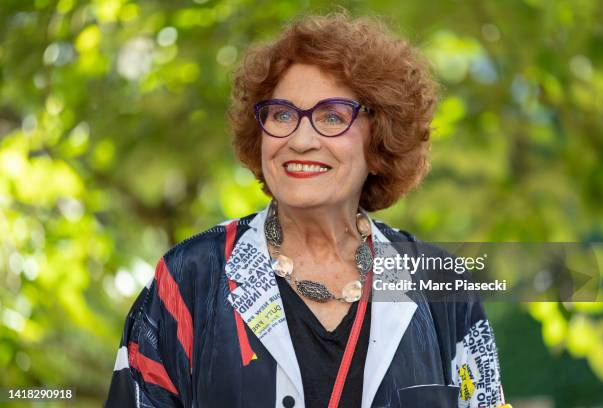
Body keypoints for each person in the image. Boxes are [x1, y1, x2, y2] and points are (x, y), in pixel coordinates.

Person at [105, 10, 509, 408]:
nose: (300, 140)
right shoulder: (189, 279)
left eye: (332, 116)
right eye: (282, 115)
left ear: (380, 137)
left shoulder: (443, 288)